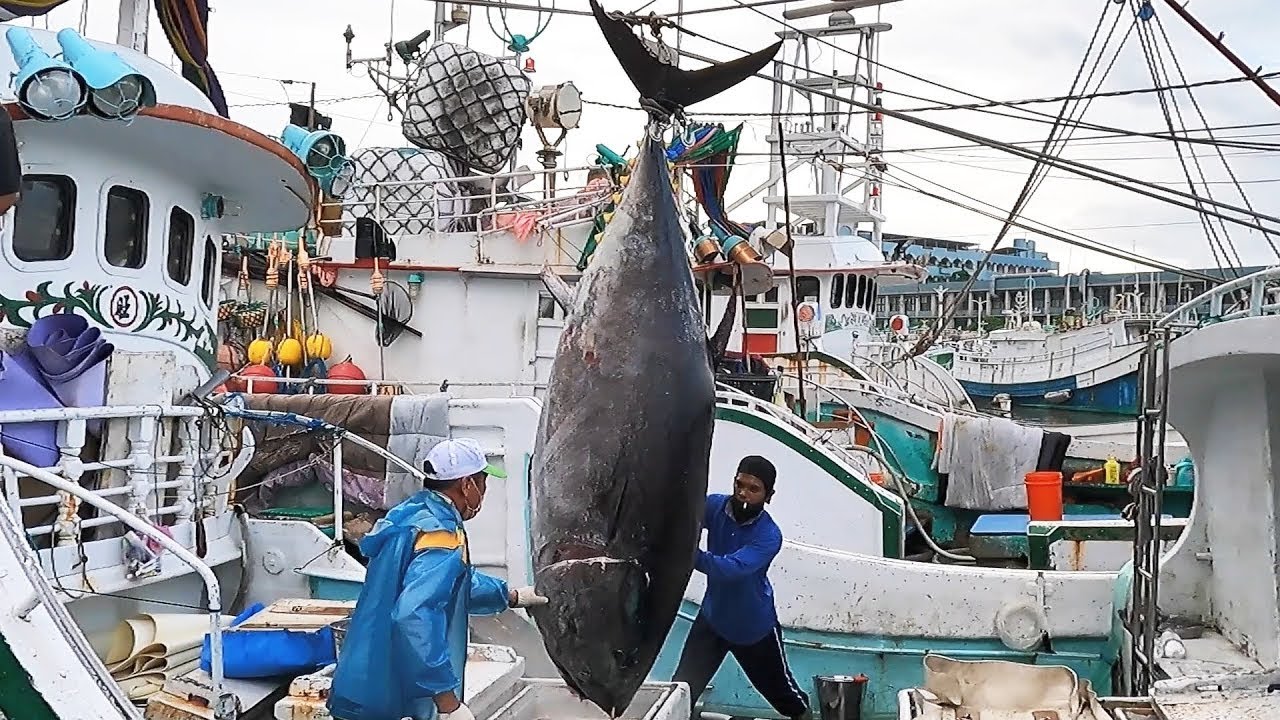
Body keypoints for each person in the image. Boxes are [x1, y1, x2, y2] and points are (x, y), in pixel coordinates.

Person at [329, 438, 548, 720]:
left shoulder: (409, 516)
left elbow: (453, 584)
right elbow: (414, 614)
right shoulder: (441, 535)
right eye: (483, 483)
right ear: (467, 484)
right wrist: (448, 702)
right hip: (392, 699)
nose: (484, 491)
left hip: (359, 683)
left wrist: (511, 596)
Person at [673, 455, 810, 720]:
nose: (743, 493)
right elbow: (685, 519)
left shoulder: (769, 535)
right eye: (739, 484)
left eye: (754, 489)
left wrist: (686, 554)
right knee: (682, 691)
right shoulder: (714, 506)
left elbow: (731, 569)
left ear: (769, 495)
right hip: (712, 619)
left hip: (753, 628)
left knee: (786, 697)